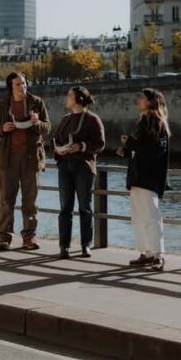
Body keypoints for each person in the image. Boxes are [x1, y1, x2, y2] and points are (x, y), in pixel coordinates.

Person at [0, 72, 51, 251]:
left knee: (30, 201)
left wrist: (36, 123)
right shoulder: (2, 105)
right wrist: (3, 128)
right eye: (18, 84)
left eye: (24, 84)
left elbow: (47, 127)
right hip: (8, 159)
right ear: (11, 86)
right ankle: (4, 238)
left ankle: (29, 238)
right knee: (6, 200)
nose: (22, 87)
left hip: (31, 158)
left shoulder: (36, 102)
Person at [117, 88, 171, 271]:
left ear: (150, 101)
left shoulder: (157, 123)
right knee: (139, 216)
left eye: (141, 97)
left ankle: (158, 254)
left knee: (150, 215)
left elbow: (156, 150)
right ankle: (147, 252)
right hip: (138, 176)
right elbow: (142, 150)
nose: (138, 100)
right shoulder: (144, 123)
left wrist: (132, 144)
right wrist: (127, 151)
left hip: (148, 177)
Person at [54, 86, 106, 259]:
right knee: (65, 207)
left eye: (69, 95)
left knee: (85, 206)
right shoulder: (65, 120)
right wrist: (59, 151)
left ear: (79, 99)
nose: (67, 98)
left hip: (83, 166)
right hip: (65, 166)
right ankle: (64, 246)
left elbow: (100, 144)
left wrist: (81, 146)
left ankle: (86, 245)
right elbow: (55, 141)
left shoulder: (92, 119)